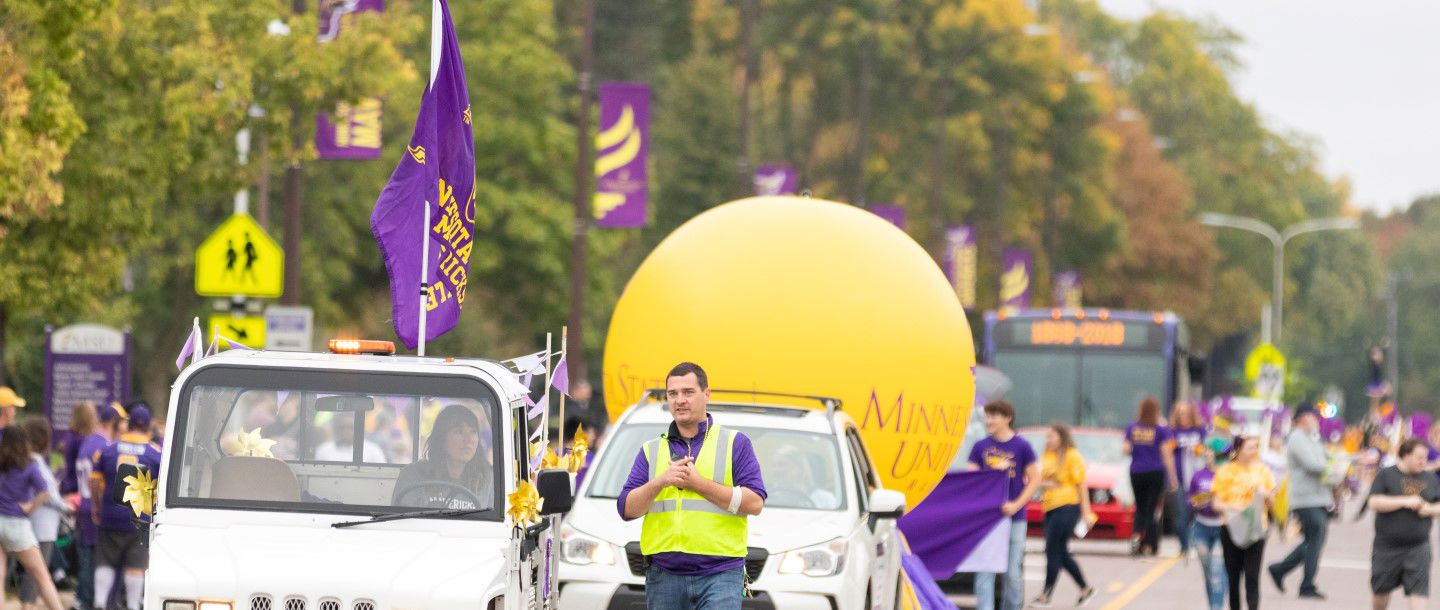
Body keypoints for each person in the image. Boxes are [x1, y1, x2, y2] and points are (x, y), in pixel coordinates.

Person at [618, 362, 766, 610]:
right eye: (673, 393)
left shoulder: (735, 443)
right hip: (664, 575)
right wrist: (661, 481)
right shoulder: (651, 450)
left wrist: (698, 484)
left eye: (688, 392)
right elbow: (626, 509)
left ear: (706, 394)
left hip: (721, 574)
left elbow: (755, 503)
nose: (679, 400)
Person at [966, 400, 1041, 610]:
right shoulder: (980, 447)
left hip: (1014, 518)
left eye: (994, 417)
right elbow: (971, 479)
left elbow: (1035, 479)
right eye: (987, 417)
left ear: (1007, 418)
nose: (989, 421)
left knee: (1013, 574)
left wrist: (1016, 505)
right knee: (984, 572)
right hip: (988, 518)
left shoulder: (1022, 446)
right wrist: (993, 471)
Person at [89, 404, 161, 610]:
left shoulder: (108, 449)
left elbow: (94, 481)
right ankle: (132, 605)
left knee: (106, 561)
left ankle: (100, 603)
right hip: (139, 517)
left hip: (110, 513)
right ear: (148, 426)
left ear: (128, 424)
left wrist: (96, 506)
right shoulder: (156, 454)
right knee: (136, 566)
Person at [1267, 406, 1332, 600]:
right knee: (1314, 540)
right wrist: (1331, 469)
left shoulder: (1312, 437)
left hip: (1318, 496)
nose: (1316, 421)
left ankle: (1280, 569)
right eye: (1312, 417)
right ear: (1303, 418)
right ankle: (1306, 584)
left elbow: (1326, 458)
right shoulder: (1297, 438)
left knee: (1314, 540)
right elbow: (1314, 465)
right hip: (1305, 498)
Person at [1367, 438, 1440, 610]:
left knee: (1419, 592)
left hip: (1418, 546)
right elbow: (1374, 502)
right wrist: (1404, 501)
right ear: (1405, 455)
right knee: (1381, 593)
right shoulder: (1386, 474)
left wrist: (1429, 509)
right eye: (1419, 457)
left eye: (1425, 458)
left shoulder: (1430, 479)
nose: (1423, 462)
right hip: (1387, 546)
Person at [0, 418, 64, 610]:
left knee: (0, 576)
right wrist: (31, 508)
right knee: (42, 576)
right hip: (18, 525)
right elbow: (45, 491)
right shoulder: (29, 466)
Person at [1030, 423, 1095, 607]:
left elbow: (1081, 485)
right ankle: (1085, 588)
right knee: (1060, 552)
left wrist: (1086, 512)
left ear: (1062, 437)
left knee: (1052, 549)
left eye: (1052, 436)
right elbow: (1040, 480)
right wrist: (1046, 484)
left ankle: (1046, 594)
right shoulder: (1047, 456)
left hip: (1067, 506)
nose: (1048, 440)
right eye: (1047, 437)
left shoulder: (1072, 456)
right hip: (1049, 507)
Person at [1212, 435, 1276, 610]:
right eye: (1250, 447)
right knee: (1233, 576)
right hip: (1231, 528)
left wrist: (1266, 496)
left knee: (1252, 576)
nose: (1254, 451)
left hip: (1255, 528)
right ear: (1238, 449)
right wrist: (1233, 508)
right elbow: (1216, 503)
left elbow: (1272, 504)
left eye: (1256, 447)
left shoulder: (1263, 471)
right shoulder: (1225, 471)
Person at [392, 404, 493, 509]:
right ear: (441, 438)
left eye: (473, 432)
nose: (468, 440)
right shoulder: (412, 475)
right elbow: (402, 521)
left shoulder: (488, 479)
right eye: (459, 431)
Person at [72, 402, 123, 610]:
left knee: (87, 554)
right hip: (94, 506)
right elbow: (99, 482)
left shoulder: (88, 442)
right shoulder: (103, 446)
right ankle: (84, 600)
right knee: (93, 558)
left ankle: (82, 598)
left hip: (83, 504)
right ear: (112, 422)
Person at [18, 419, 67, 610]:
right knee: (37, 571)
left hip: (39, 524)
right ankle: (27, 604)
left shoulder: (31, 462)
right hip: (43, 527)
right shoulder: (36, 462)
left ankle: (27, 602)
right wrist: (66, 507)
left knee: (36, 570)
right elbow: (47, 493)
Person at [1124, 397, 1178, 556]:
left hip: (1137, 471)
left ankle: (1136, 537)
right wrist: (1173, 477)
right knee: (1152, 508)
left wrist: (1138, 449)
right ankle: (1150, 544)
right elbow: (1166, 453)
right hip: (1155, 471)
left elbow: (1125, 449)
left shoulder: (1132, 427)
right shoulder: (1161, 429)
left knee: (1140, 507)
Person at [1189, 437, 1230, 610]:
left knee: (1216, 570)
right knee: (1208, 573)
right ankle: (1213, 604)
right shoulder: (1199, 475)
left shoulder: (1228, 475)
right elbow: (1189, 498)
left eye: (1212, 450)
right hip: (1201, 528)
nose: (1208, 454)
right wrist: (1195, 502)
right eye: (1206, 450)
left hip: (1222, 527)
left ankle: (1217, 606)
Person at [1170, 401, 1207, 557]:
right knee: (1181, 514)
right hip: (1179, 478)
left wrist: (1197, 449)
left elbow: (1206, 449)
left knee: (1197, 513)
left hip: (1197, 479)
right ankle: (1184, 546)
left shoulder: (1200, 431)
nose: (1182, 416)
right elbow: (1167, 451)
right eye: (1180, 413)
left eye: (1185, 412)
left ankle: (1195, 543)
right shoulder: (1172, 431)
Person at [314, 412, 387, 463]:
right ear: (336, 429)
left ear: (359, 429)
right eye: (343, 427)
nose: (347, 431)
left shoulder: (373, 450)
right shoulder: (324, 450)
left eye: (351, 427)